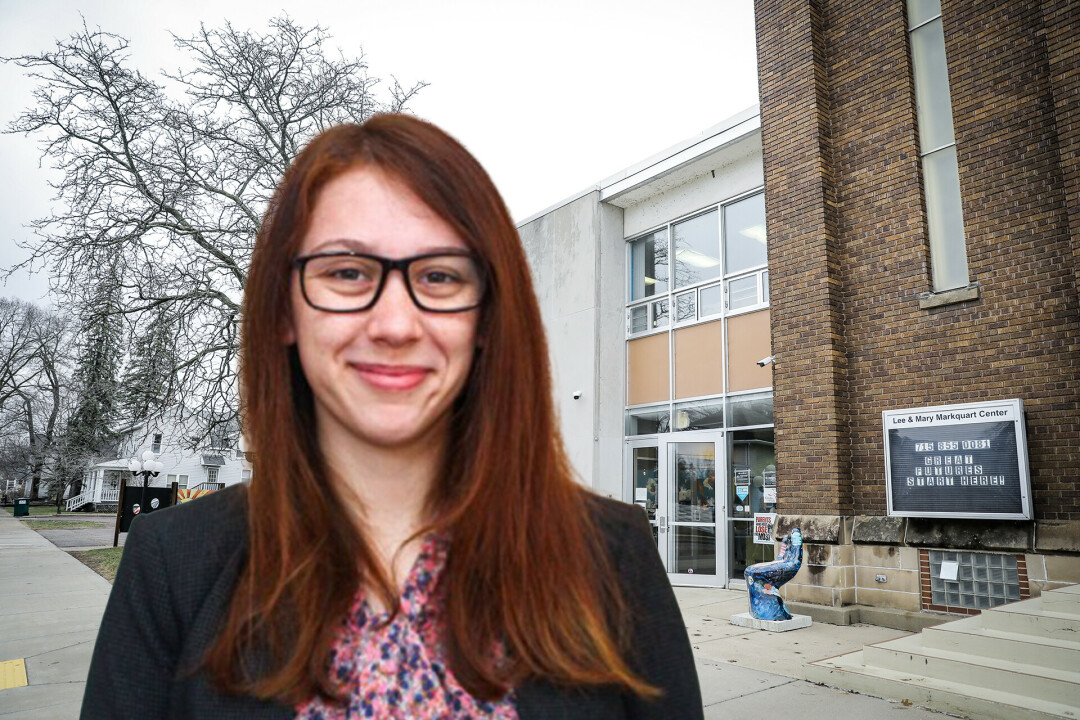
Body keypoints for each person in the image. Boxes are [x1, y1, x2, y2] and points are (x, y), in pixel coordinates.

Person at [80, 114, 703, 719]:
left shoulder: (611, 556)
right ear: (284, 314)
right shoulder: (173, 565)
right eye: (347, 273)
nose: (397, 324)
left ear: (486, 319)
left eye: (438, 276)